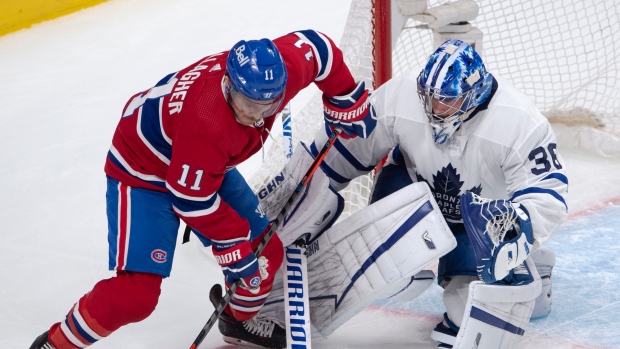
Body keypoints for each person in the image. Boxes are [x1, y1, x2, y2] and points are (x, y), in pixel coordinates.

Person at [29, 29, 374, 349]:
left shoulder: (275, 73)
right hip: (143, 171)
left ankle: (236, 320)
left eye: (267, 105)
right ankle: (57, 343)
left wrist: (343, 96)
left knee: (265, 258)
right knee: (136, 296)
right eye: (247, 103)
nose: (256, 114)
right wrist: (233, 243)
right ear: (228, 82)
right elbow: (190, 199)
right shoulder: (207, 121)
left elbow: (318, 48)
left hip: (203, 171)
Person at [317, 39, 568, 348]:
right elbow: (350, 147)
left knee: (467, 321)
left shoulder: (519, 123)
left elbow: (548, 193)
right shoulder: (402, 95)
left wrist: (518, 226)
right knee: (373, 262)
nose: (434, 109)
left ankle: (533, 266)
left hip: (480, 220)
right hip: (414, 191)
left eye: (447, 101)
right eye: (429, 97)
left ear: (474, 94)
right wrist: (312, 192)